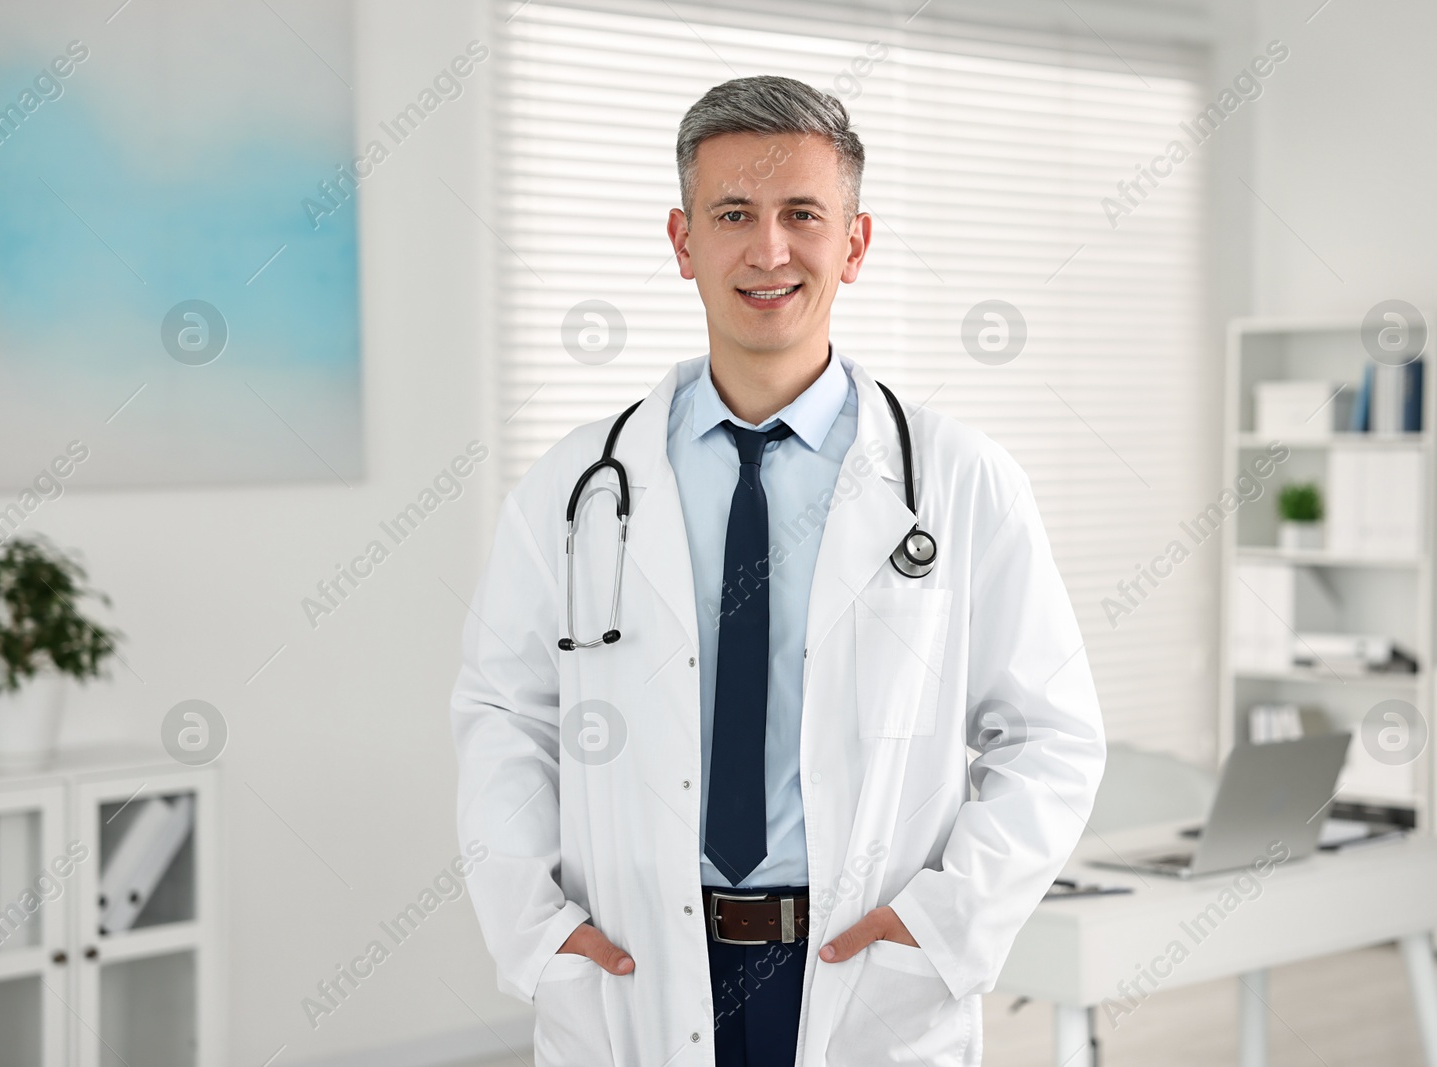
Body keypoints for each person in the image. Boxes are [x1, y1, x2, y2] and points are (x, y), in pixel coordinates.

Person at [450, 74, 1106, 1067]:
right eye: (732, 215)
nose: (768, 250)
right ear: (682, 242)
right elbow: (506, 720)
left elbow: (1049, 736)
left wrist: (937, 923)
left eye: (802, 213)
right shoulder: (571, 489)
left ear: (854, 241)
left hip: (859, 966)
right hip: (636, 967)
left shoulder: (962, 481)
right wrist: (542, 935)